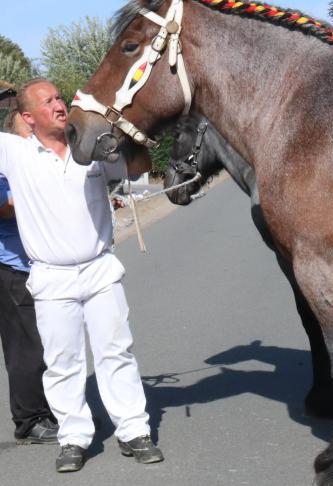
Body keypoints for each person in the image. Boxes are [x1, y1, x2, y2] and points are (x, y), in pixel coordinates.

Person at [0, 78, 163, 473]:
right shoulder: (14, 153)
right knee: (62, 362)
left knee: (115, 352)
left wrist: (134, 135)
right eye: (48, 101)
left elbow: (138, 169)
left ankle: (133, 430)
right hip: (51, 278)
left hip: (99, 270)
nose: (59, 104)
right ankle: (74, 437)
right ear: (27, 117)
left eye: (59, 97)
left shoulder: (89, 148)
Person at [0, 109, 59, 446]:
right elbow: (3, 207)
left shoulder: (41, 159)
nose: (32, 137)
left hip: (39, 265)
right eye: (27, 130)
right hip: (11, 265)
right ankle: (29, 420)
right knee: (25, 347)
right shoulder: (7, 165)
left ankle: (51, 410)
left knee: (51, 343)